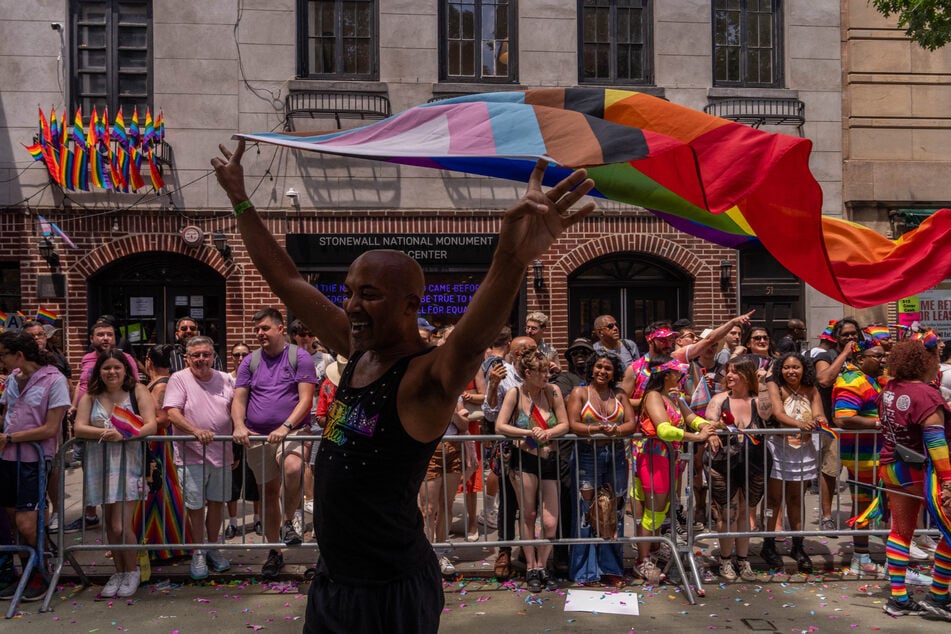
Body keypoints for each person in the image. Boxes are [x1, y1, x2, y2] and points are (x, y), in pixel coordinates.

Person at [212, 139, 595, 632]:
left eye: (369, 295)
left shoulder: (424, 378)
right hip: (334, 582)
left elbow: (472, 338)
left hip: (389, 592)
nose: (351, 306)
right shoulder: (357, 352)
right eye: (349, 292)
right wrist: (241, 200)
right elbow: (288, 282)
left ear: (411, 305)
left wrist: (511, 259)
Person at [232, 308, 317, 578]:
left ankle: (289, 521)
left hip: (291, 431)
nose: (259, 333)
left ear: (281, 329)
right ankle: (274, 551)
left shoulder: (299, 357)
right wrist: (239, 425)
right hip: (257, 436)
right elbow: (239, 398)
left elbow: (305, 399)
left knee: (293, 468)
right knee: (268, 494)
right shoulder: (250, 362)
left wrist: (286, 426)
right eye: (256, 329)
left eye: (265, 328)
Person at [72, 349, 158, 599]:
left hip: (129, 461)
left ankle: (132, 571)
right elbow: (79, 427)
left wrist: (125, 434)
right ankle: (118, 571)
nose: (112, 372)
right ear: (99, 370)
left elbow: (151, 424)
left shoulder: (138, 390)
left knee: (121, 524)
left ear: (126, 370)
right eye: (106, 367)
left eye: (117, 367)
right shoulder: (91, 394)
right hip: (99, 462)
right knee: (110, 523)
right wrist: (104, 434)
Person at [877, 338, 951, 619]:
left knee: (900, 532)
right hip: (921, 471)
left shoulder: (889, 388)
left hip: (892, 466)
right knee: (949, 531)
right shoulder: (926, 395)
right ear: (925, 362)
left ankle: (898, 599)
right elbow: (936, 444)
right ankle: (939, 595)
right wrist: (949, 483)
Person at [0, 331, 70, 601]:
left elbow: (51, 428)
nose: (2, 360)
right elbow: (7, 416)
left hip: (34, 460)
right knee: (10, 519)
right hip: (7, 460)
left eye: (4, 354)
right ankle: (24, 569)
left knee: (27, 523)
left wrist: (9, 438)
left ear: (19, 354)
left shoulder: (54, 380)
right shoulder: (12, 382)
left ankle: (40, 570)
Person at [636, 355, 716, 584]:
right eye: (679, 373)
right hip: (655, 459)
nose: (683, 377)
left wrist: (707, 426)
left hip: (671, 460)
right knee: (653, 510)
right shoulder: (653, 396)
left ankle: (653, 548)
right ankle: (642, 559)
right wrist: (697, 436)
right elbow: (664, 429)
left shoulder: (674, 396)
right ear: (668, 375)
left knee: (664, 508)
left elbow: (691, 417)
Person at [495, 350, 571, 592]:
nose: (547, 375)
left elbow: (564, 423)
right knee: (527, 514)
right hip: (524, 460)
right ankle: (532, 567)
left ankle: (544, 563)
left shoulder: (553, 392)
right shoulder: (514, 393)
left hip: (549, 460)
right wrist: (528, 433)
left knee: (550, 521)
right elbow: (500, 425)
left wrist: (548, 433)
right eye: (542, 371)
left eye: (548, 370)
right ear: (528, 373)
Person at [163, 336, 235, 580]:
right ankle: (198, 552)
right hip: (191, 454)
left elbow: (237, 410)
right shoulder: (178, 378)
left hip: (222, 453)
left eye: (205, 354)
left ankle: (213, 547)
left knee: (217, 503)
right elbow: (172, 412)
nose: (201, 359)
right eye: (196, 355)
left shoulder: (227, 379)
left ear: (213, 355)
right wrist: (196, 431)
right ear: (187, 358)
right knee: (195, 506)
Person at [565, 350, 636, 586]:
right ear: (591, 369)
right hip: (586, 454)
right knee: (588, 512)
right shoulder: (579, 392)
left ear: (614, 372)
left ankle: (611, 569)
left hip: (615, 455)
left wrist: (614, 430)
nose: (602, 372)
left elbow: (631, 424)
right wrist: (595, 429)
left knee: (612, 512)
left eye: (607, 368)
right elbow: (573, 423)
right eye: (598, 367)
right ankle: (585, 571)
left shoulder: (620, 394)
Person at [65, 318, 141, 534]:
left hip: (122, 432)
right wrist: (74, 406)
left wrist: (125, 430)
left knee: (120, 520)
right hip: (93, 424)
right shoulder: (87, 358)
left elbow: (133, 385)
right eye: (101, 334)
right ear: (92, 339)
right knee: (91, 472)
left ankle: (128, 561)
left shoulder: (125, 358)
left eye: (109, 334)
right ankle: (90, 514)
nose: (106, 337)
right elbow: (82, 385)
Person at [703, 355, 770, 582]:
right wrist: (713, 431)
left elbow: (768, 414)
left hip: (753, 462)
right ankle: (725, 560)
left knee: (744, 511)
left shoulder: (757, 399)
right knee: (727, 512)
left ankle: (742, 560)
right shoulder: (719, 399)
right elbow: (709, 422)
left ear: (747, 375)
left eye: (734, 371)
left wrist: (761, 386)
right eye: (727, 371)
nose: (729, 375)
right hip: (723, 462)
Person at [482, 335, 540, 580]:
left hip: (537, 445)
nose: (534, 353)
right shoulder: (502, 373)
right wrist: (493, 386)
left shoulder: (542, 370)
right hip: (510, 447)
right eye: (527, 350)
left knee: (533, 504)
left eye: (536, 349)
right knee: (509, 502)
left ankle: (531, 550)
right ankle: (504, 551)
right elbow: (490, 412)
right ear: (515, 354)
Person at [762, 351, 824, 573]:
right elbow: (778, 413)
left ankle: (798, 545)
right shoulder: (775, 386)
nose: (791, 371)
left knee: (796, 498)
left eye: (795, 367)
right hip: (779, 448)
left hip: (803, 449)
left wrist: (819, 421)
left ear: (804, 369)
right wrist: (799, 423)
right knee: (774, 499)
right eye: (786, 367)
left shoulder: (811, 388)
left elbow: (818, 413)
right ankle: (768, 543)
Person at [833, 337, 888, 578]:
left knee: (879, 506)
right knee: (864, 506)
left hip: (877, 456)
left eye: (883, 355)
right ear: (859, 359)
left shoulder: (874, 380)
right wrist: (879, 423)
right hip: (863, 457)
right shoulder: (851, 380)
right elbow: (843, 417)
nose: (882, 359)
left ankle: (869, 557)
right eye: (877, 356)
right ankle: (862, 557)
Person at [133, 343, 188, 561]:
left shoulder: (161, 386)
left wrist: (134, 424)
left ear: (149, 362)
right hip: (153, 443)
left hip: (157, 445)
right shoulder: (159, 383)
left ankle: (164, 545)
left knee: (158, 492)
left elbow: (163, 419)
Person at [814, 317, 860, 533]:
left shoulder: (862, 358)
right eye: (846, 335)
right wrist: (844, 355)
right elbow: (824, 380)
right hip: (834, 427)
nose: (851, 338)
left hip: (859, 426)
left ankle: (857, 515)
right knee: (830, 472)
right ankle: (826, 516)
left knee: (860, 474)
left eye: (854, 334)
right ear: (836, 338)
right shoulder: (826, 356)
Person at [224, 343, 261, 539]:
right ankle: (232, 523)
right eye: (236, 355)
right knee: (233, 481)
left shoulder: (258, 376)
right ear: (231, 357)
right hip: (232, 434)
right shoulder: (226, 379)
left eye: (244, 355)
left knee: (256, 479)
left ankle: (257, 518)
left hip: (255, 433)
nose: (240, 359)